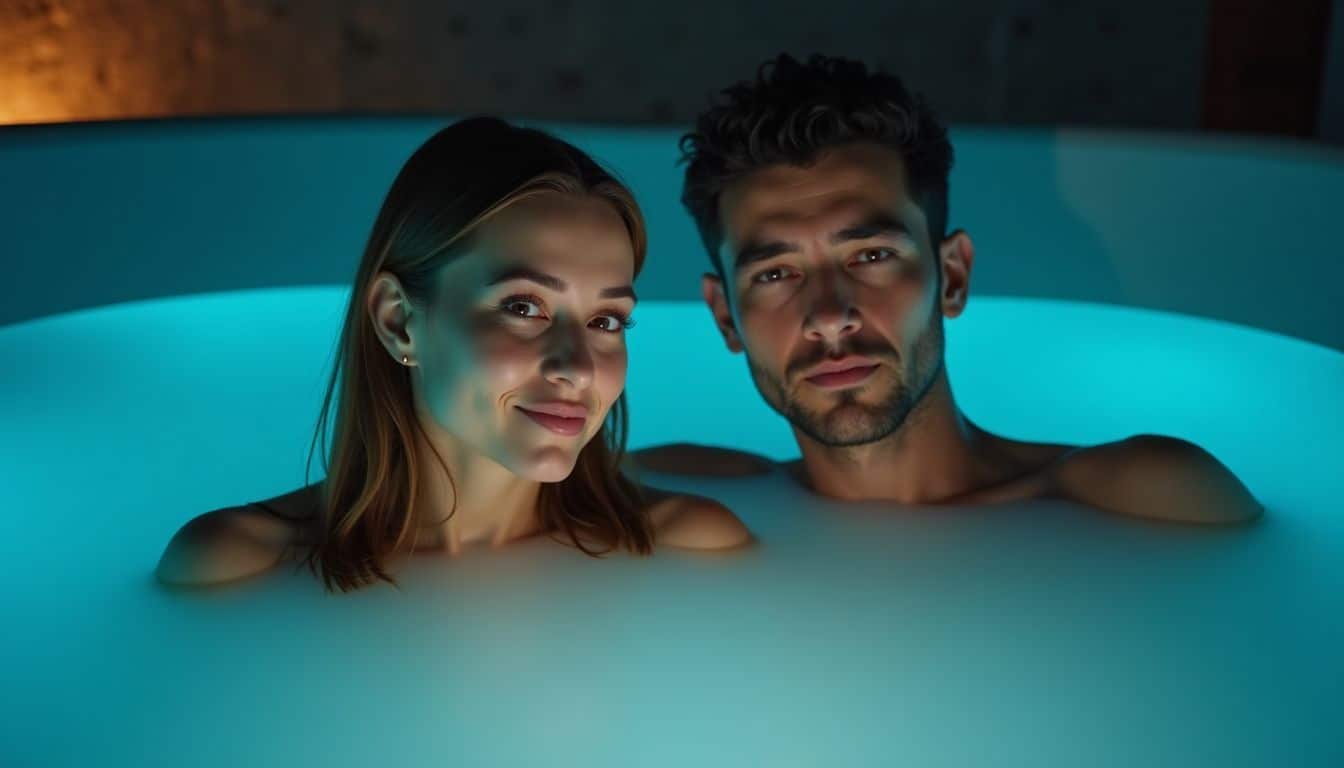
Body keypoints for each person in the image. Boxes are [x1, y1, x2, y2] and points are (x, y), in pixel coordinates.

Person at [633, 53, 1262, 524]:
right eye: (774, 274)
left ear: (952, 276)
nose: (829, 316)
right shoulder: (686, 494)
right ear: (724, 317)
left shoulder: (1140, 495)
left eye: (871, 254)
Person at [156, 117, 752, 592]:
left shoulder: (691, 548)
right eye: (524, 307)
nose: (576, 367)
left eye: (606, 320)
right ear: (399, 321)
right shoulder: (235, 566)